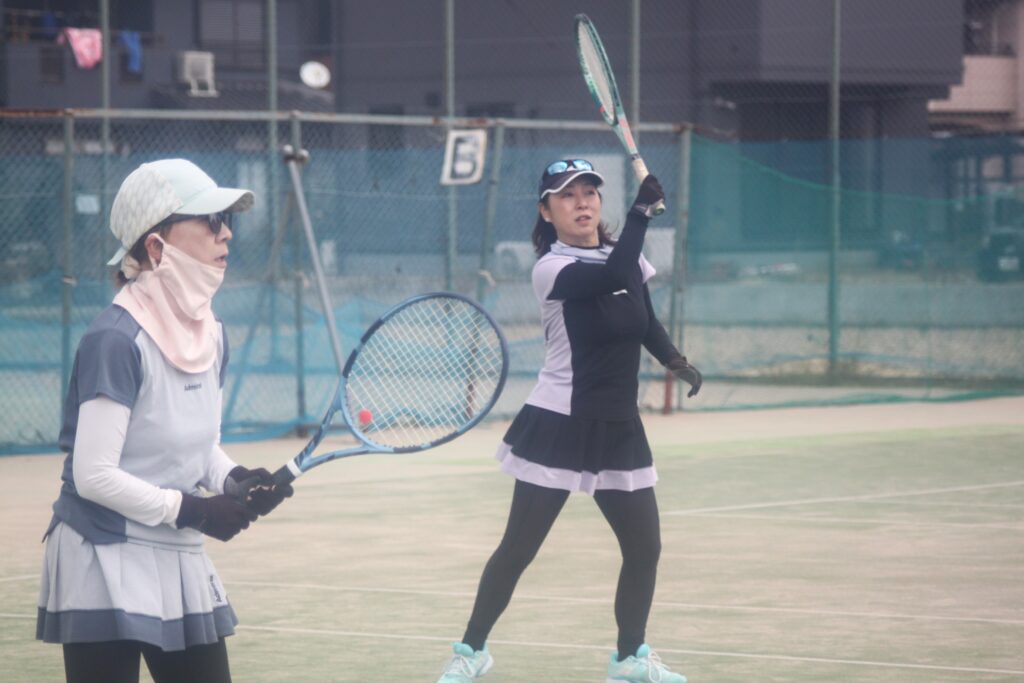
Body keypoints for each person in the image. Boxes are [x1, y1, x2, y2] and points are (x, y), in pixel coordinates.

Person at [435, 159, 701, 683]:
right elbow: (612, 277)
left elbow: (644, 317)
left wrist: (674, 359)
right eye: (567, 195)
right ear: (546, 211)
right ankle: (471, 652)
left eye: (590, 193)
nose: (582, 203)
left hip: (618, 426)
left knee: (644, 548)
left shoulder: (626, 258)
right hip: (559, 422)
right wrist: (641, 213)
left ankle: (629, 658)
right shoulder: (552, 268)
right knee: (518, 549)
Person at [36, 159, 293, 683]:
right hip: (101, 551)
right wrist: (196, 510)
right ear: (156, 247)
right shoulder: (115, 340)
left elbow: (199, 445)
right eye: (211, 220)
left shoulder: (212, 332)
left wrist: (233, 479)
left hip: (176, 545)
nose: (226, 233)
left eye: (226, 221)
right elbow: (94, 475)